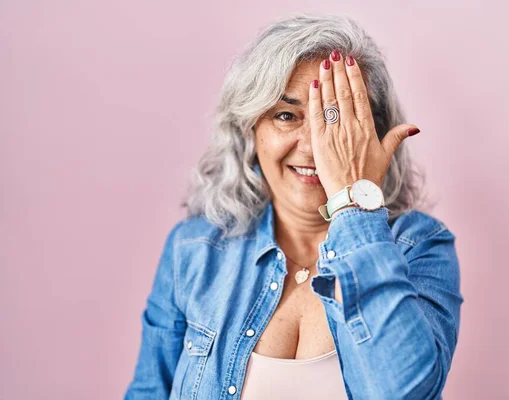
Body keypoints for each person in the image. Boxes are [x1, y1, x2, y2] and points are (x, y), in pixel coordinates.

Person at [124, 13, 464, 400]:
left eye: (337, 120)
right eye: (286, 115)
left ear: (374, 135)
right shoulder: (195, 249)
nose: (313, 147)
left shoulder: (419, 246)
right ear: (251, 129)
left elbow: (404, 392)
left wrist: (353, 203)